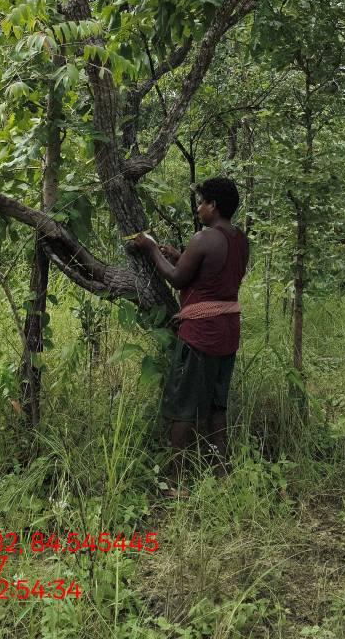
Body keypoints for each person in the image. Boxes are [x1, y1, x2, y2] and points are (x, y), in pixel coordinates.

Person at [131, 177, 249, 496]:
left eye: (201, 203)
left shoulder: (204, 238)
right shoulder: (240, 239)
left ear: (214, 206)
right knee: (217, 405)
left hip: (202, 334)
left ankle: (176, 483)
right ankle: (221, 472)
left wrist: (151, 247)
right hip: (228, 331)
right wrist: (180, 254)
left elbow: (176, 277)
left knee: (183, 405)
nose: (198, 209)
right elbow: (215, 275)